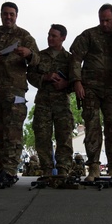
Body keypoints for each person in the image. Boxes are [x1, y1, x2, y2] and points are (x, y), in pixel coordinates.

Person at [0, 2, 39, 184]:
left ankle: (10, 171)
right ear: (1, 15)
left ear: (16, 16)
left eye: (12, 14)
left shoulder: (24, 36)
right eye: (5, 14)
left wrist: (29, 54)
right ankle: (1, 169)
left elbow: (39, 61)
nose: (8, 17)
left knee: (13, 131)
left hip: (15, 92)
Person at [69, 5, 112, 179]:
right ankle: (94, 166)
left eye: (108, 20)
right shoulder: (89, 35)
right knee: (92, 126)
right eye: (101, 19)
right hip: (91, 89)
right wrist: (77, 82)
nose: (104, 23)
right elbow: (75, 58)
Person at [28, 24, 82, 176]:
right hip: (43, 103)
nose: (50, 38)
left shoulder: (70, 59)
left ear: (63, 38)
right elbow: (30, 76)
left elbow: (77, 80)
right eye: (49, 35)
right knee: (42, 137)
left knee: (64, 137)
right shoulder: (40, 56)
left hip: (62, 104)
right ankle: (46, 170)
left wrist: (66, 84)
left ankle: (63, 170)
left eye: (54, 36)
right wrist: (45, 77)